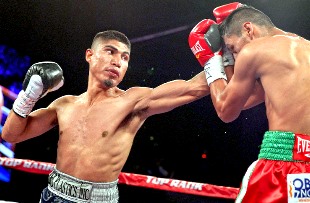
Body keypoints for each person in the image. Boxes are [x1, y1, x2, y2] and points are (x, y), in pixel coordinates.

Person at [2, 30, 224, 203]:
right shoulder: (64, 104)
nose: (118, 61)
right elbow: (11, 134)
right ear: (89, 55)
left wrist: (227, 56)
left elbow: (192, 88)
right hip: (52, 193)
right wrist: (29, 95)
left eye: (125, 57)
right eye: (110, 51)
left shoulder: (132, 102)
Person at [189, 3, 310, 203]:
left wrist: (211, 61)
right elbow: (245, 100)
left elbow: (225, 110)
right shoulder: (302, 50)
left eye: (233, 49)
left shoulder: (255, 51)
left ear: (248, 29)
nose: (235, 57)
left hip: (282, 161)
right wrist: (228, 58)